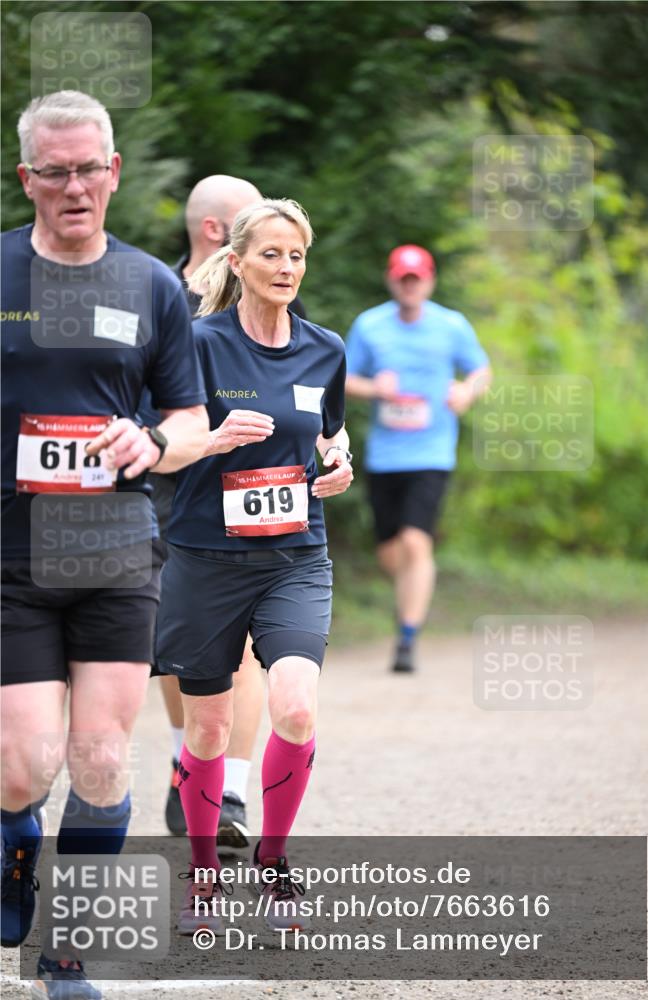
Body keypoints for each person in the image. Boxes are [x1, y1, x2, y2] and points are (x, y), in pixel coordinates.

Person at [0, 91, 208, 998]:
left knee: (97, 757)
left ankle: (66, 952)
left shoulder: (152, 285)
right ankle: (14, 870)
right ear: (27, 179)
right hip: (12, 552)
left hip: (119, 548)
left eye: (90, 168)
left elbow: (193, 417)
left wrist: (153, 442)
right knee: (23, 766)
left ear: (114, 172)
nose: (75, 185)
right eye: (56, 171)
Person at [154, 197, 352, 934]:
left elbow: (330, 437)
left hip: (295, 556)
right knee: (206, 730)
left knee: (295, 705)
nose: (286, 268)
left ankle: (274, 863)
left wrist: (339, 464)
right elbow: (158, 445)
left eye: (296, 255)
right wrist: (211, 440)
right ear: (235, 262)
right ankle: (204, 872)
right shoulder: (197, 343)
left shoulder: (324, 348)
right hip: (206, 558)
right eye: (270, 254)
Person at [141, 174, 306, 844]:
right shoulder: (156, 297)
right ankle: (193, 762)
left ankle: (228, 792)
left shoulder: (275, 304)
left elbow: (309, 389)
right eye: (255, 234)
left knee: (238, 650)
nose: (277, 253)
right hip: (163, 498)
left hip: (244, 506)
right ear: (220, 237)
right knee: (182, 654)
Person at [345, 244, 491, 673]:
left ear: (429, 281)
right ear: (393, 280)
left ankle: (407, 637)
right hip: (385, 456)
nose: (410, 285)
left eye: (418, 278)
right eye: (403, 278)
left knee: (416, 540)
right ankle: (411, 597)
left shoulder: (452, 325)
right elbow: (344, 377)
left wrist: (467, 391)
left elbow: (481, 370)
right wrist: (375, 389)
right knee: (390, 552)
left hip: (432, 452)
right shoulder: (369, 326)